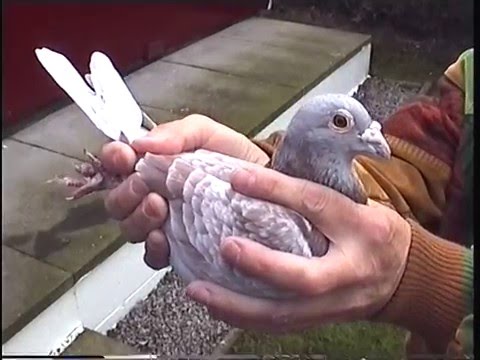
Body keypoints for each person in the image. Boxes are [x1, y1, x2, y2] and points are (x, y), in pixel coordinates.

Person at [100, 49, 473, 358]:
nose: (376, 139)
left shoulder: (287, 237)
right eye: (344, 123)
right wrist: (269, 166)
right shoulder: (466, 81)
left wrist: (413, 274)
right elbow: (422, 166)